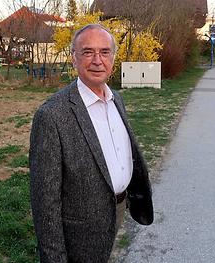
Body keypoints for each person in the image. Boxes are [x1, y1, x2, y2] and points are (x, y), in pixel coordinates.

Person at [29, 24, 153, 263]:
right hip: (80, 231)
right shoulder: (52, 115)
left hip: (117, 211)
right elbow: (45, 201)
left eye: (105, 52)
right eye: (88, 52)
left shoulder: (117, 99)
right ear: (74, 58)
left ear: (113, 58)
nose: (97, 60)